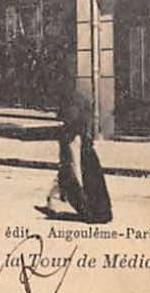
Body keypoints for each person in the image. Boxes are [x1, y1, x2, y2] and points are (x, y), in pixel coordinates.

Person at [44, 88, 112, 223]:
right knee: (71, 175)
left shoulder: (71, 135)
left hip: (75, 145)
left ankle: (89, 210)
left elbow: (75, 166)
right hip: (81, 145)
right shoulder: (79, 103)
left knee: (70, 176)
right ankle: (54, 203)